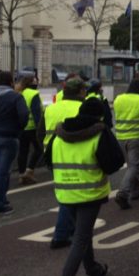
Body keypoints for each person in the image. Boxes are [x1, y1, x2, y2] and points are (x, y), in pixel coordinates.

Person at [46, 98, 124, 276]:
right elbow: (115, 161)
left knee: (82, 233)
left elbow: (48, 160)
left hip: (65, 192)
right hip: (90, 192)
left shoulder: (59, 133)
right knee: (81, 237)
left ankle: (93, 270)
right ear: (100, 115)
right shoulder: (100, 132)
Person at [38, 77, 87, 248]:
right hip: (78, 156)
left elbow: (40, 133)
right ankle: (61, 235)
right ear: (81, 91)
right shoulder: (84, 107)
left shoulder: (51, 108)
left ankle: (69, 230)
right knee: (72, 197)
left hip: (53, 155)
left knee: (67, 194)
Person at [0, 71, 28, 216]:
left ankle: (2, 200)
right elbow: (24, 116)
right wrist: (18, 130)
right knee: (1, 172)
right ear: (11, 82)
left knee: (1, 170)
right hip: (8, 137)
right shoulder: (16, 97)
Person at [114, 79, 139, 210]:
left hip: (120, 137)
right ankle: (123, 193)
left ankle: (136, 191)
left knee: (131, 166)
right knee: (135, 166)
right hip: (137, 138)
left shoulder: (118, 99)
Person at [15, 75, 43, 185]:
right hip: (32, 128)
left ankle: (21, 175)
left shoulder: (20, 93)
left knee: (23, 151)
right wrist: (39, 128)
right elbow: (37, 113)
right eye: (35, 80)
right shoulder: (33, 94)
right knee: (39, 149)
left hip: (21, 127)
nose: (37, 82)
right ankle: (29, 170)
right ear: (31, 83)